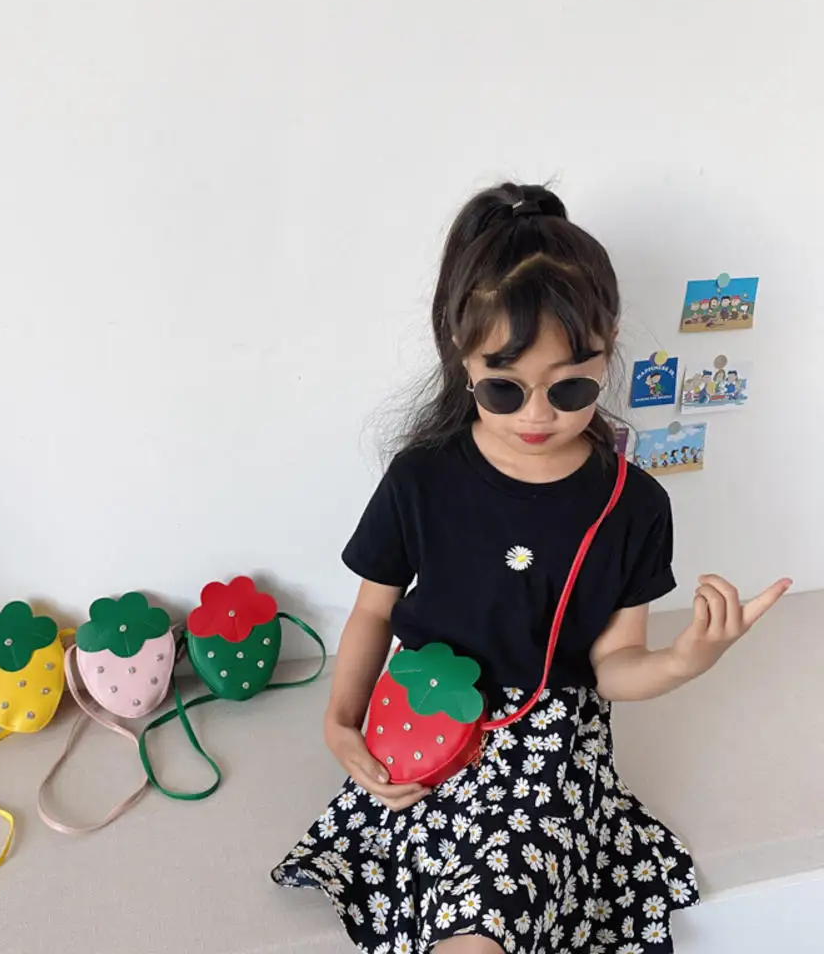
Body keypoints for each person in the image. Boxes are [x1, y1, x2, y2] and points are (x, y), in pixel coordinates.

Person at [270, 183, 791, 954]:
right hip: (424, 717)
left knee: (488, 914)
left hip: (549, 745)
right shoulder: (421, 478)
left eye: (571, 385)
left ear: (609, 347)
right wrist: (340, 723)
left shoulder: (633, 505)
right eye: (504, 388)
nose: (539, 414)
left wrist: (686, 660)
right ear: (462, 353)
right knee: (427, 865)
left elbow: (614, 665)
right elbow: (374, 611)